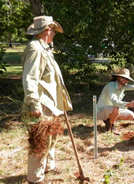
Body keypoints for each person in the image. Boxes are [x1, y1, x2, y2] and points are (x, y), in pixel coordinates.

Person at [22, 16, 72, 184]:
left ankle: (48, 168)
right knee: (40, 142)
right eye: (53, 30)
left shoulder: (46, 49)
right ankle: (35, 179)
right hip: (42, 104)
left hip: (51, 104)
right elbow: (30, 79)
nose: (54, 34)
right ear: (47, 30)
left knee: (51, 138)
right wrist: (34, 105)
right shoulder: (35, 49)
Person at [97, 68, 134, 135]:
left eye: (126, 79)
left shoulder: (123, 87)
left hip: (113, 109)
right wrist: (128, 104)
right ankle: (111, 126)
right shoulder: (110, 86)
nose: (125, 80)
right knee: (116, 108)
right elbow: (115, 101)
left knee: (131, 115)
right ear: (118, 77)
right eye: (123, 78)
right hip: (101, 111)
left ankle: (109, 120)